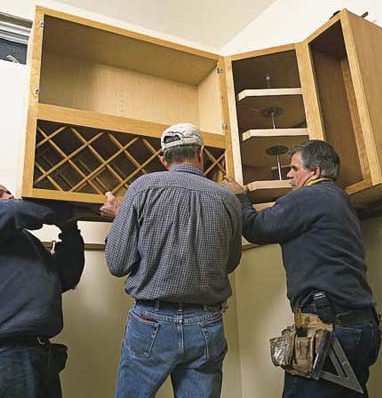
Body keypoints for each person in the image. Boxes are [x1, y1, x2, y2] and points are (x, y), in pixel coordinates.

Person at [222, 140, 382, 398]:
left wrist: (240, 197)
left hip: (329, 331)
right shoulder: (340, 198)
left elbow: (256, 228)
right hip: (362, 327)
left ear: (315, 172)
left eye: (294, 168)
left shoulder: (306, 197)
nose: (288, 175)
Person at [102, 123, 242, 398]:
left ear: (163, 159)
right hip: (207, 320)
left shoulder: (142, 188)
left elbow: (117, 263)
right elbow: (230, 263)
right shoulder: (229, 200)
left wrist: (122, 218)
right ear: (201, 154)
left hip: (150, 319)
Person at [0, 184, 85, 398]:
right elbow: (15, 210)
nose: (10, 196)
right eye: (1, 193)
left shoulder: (24, 239)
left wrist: (70, 230)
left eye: (8, 191)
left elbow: (65, 276)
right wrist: (65, 209)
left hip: (40, 352)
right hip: (10, 354)